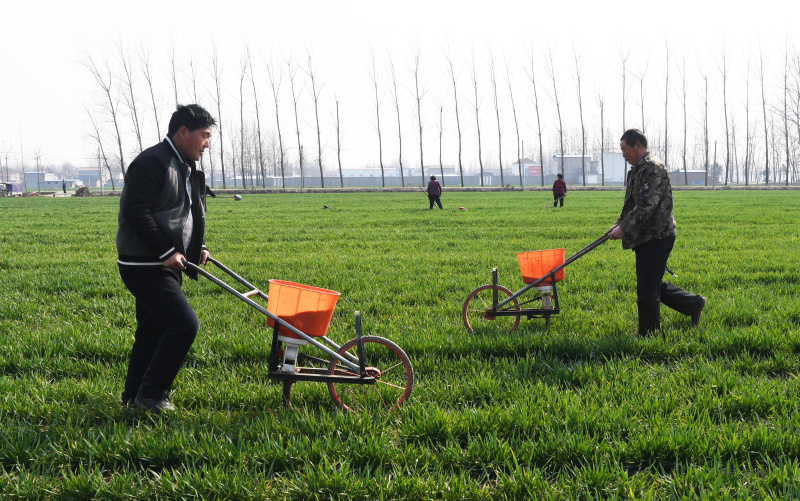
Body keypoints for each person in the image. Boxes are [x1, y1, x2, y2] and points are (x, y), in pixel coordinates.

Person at [116, 104, 216, 413]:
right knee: (184, 326)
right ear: (183, 132)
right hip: (146, 264)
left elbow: (179, 214)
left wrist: (193, 247)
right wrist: (166, 251)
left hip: (164, 262)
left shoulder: (183, 164)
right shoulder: (153, 162)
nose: (208, 143)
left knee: (152, 330)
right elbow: (136, 211)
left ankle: (134, 396)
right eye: (205, 135)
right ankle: (152, 395)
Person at [606, 128, 705, 336]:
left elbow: (646, 206)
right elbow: (631, 204)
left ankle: (648, 334)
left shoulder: (653, 168)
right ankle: (692, 304)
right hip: (645, 236)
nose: (623, 154)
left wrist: (623, 228)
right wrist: (618, 224)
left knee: (646, 289)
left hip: (657, 235)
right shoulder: (636, 170)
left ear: (638, 146)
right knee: (650, 283)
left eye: (625, 149)